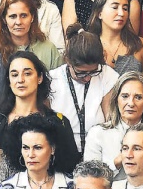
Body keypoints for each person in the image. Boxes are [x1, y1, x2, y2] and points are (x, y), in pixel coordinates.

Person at [49, 31, 119, 159]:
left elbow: (110, 121)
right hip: (61, 152)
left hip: (97, 152)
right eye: (81, 73)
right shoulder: (52, 80)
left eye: (93, 72)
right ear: (68, 61)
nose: (87, 78)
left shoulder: (107, 75)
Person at [83, 70, 143, 172]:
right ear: (116, 100)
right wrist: (116, 164)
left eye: (138, 97)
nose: (131, 103)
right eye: (125, 96)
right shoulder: (97, 133)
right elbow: (90, 177)